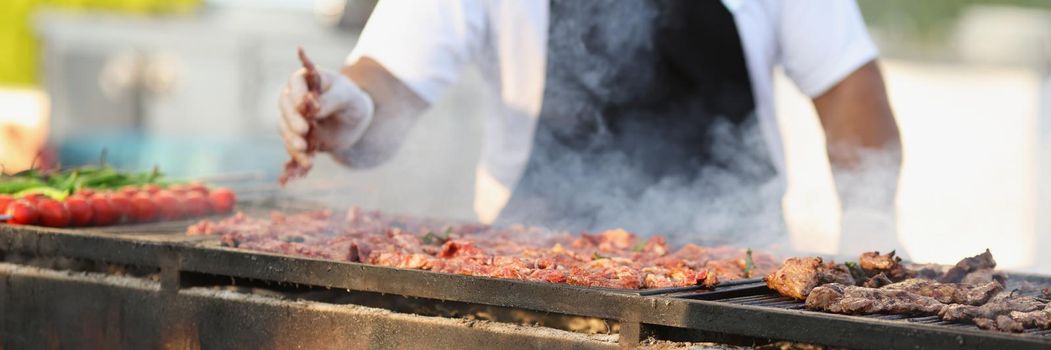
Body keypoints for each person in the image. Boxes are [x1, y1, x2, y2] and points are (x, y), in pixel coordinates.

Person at [278, 0, 902, 250]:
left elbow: (848, 83)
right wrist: (352, 112)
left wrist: (869, 226)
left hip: (742, 276)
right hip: (536, 275)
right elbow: (384, 88)